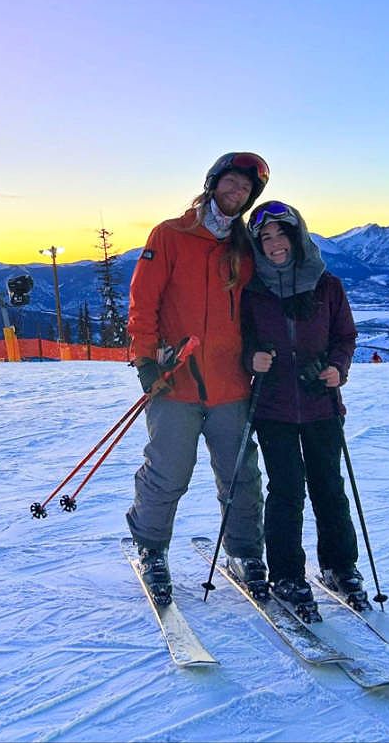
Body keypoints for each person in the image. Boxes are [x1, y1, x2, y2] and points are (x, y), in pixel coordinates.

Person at [126, 152, 271, 604]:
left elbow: (259, 308)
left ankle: (245, 553)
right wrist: (146, 362)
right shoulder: (170, 235)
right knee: (168, 471)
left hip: (230, 382)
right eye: (231, 183)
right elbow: (142, 302)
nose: (237, 192)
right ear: (213, 183)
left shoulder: (245, 247)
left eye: (246, 189)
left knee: (241, 475)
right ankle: (151, 548)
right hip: (176, 379)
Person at [240, 199, 365, 617]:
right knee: (287, 491)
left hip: (321, 402)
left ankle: (339, 566)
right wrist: (250, 359)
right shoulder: (252, 291)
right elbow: (238, 343)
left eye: (282, 234)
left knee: (330, 488)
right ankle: (288, 575)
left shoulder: (327, 285)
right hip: (273, 407)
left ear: (297, 236)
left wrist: (337, 367)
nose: (274, 244)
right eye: (266, 237)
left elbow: (345, 336)